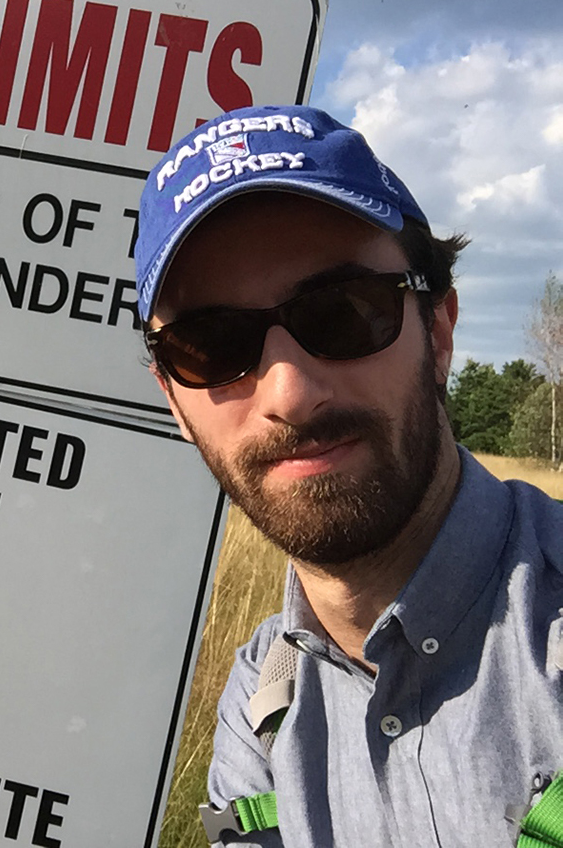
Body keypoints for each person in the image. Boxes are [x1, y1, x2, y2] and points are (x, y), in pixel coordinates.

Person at [134, 104, 563, 846]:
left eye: (343, 313)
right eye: (211, 345)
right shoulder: (259, 707)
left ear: (437, 332)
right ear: (174, 400)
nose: (289, 393)